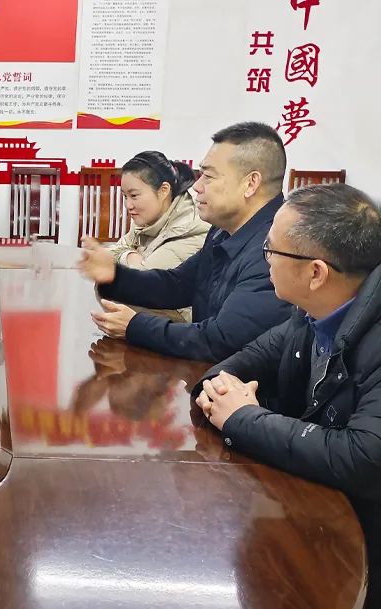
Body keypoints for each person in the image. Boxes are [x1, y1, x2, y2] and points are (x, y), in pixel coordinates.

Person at [192, 183, 381, 604]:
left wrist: (243, 418)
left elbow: (364, 458)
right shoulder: (312, 311)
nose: (265, 260)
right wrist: (221, 392)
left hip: (359, 549)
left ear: (316, 273)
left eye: (271, 250)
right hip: (315, 513)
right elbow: (234, 365)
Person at [79, 122, 292, 362]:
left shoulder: (277, 249)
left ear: (250, 184)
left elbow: (219, 341)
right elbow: (178, 285)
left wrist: (134, 326)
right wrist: (115, 276)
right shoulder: (223, 230)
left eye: (208, 176)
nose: (196, 187)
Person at [108, 151, 211, 321]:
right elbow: (112, 253)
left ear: (163, 190)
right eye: (125, 196)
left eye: (134, 196)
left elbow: (141, 285)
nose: (128, 205)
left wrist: (126, 259)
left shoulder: (190, 227)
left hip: (182, 327)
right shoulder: (147, 217)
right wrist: (130, 256)